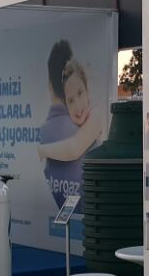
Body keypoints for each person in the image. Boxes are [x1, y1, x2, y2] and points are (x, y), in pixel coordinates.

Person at [38, 40, 102, 209]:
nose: (78, 105)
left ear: (87, 89)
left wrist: (41, 150)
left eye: (80, 93)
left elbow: (74, 148)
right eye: (71, 100)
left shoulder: (96, 114)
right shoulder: (70, 124)